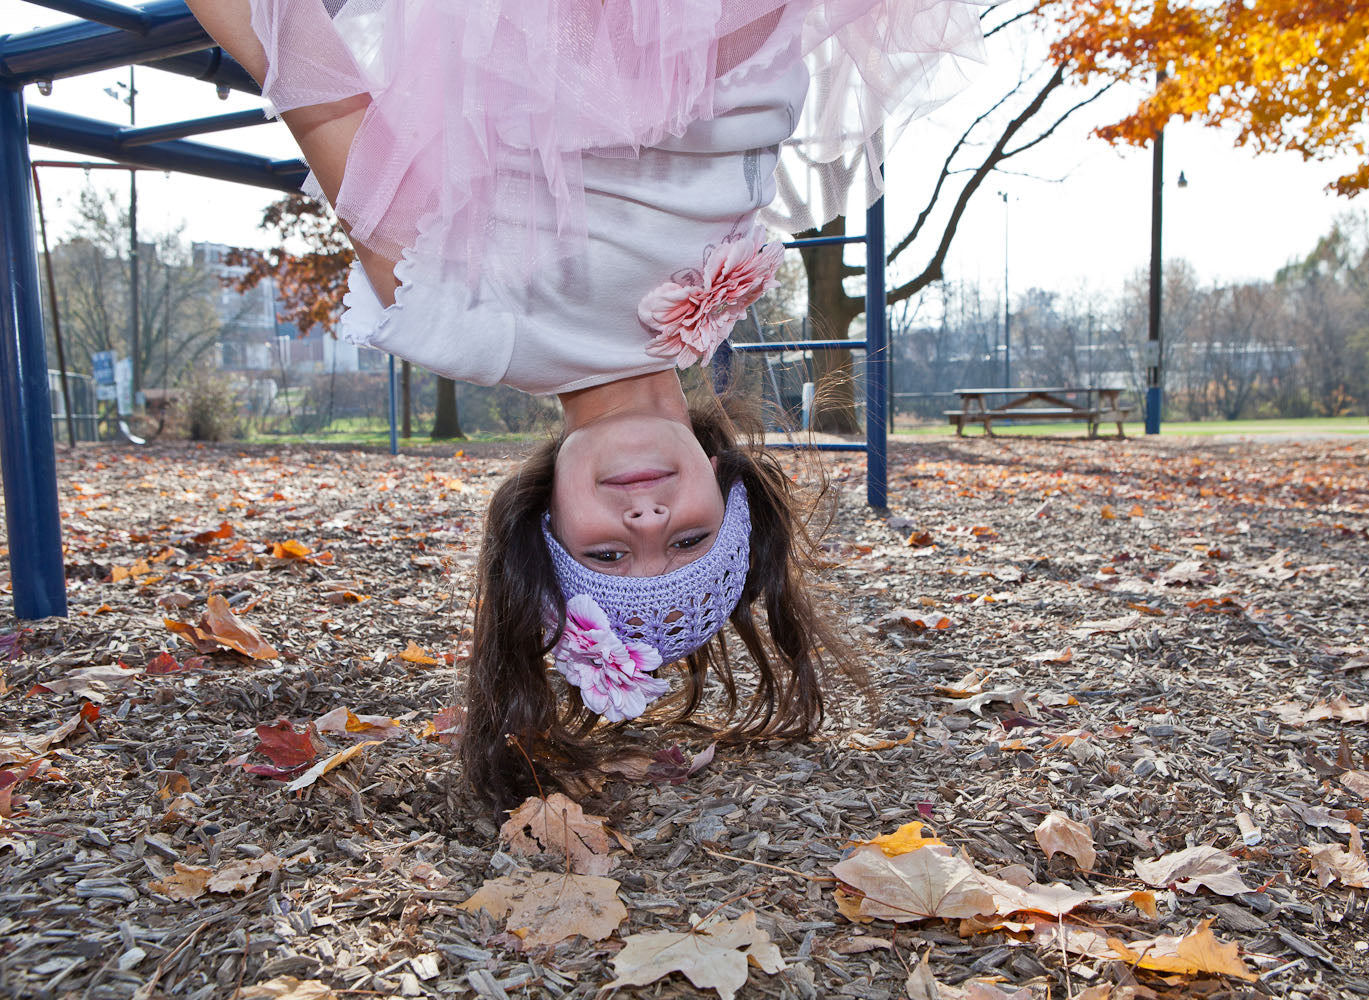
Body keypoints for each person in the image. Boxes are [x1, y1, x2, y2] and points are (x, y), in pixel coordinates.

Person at [183, 0, 983, 812]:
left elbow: (289, 55)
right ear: (724, 478)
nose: (647, 524)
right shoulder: (726, 294)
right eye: (689, 539)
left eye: (607, 556)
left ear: (548, 520)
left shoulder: (467, 325)